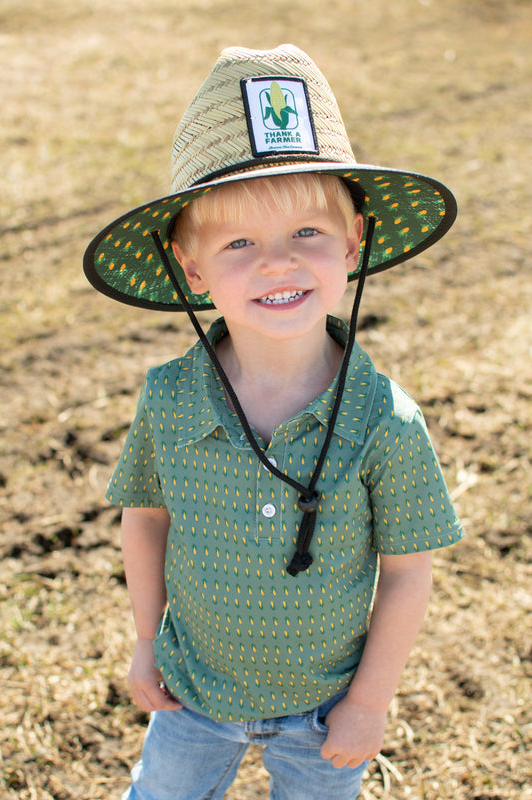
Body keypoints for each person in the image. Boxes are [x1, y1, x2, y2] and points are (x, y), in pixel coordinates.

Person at [84, 44, 464, 800]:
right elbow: (146, 520)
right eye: (238, 243)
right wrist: (146, 641)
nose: (278, 263)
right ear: (191, 269)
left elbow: (406, 572)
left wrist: (369, 702)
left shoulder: (384, 421)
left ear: (353, 244)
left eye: (307, 234)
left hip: (327, 707)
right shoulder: (170, 398)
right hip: (193, 693)